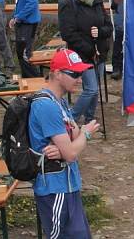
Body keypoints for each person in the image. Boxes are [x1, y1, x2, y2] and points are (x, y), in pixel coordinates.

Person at [30, 48, 101, 238]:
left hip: (68, 185)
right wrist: (84, 136)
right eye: (75, 73)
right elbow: (72, 152)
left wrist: (69, 146)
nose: (79, 79)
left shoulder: (59, 102)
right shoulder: (47, 106)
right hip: (55, 189)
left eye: (81, 73)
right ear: (58, 74)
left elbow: (74, 135)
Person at [59, 0, 113, 124]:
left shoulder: (98, 3)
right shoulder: (69, 4)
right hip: (82, 54)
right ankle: (71, 117)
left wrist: (100, 32)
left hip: (100, 52)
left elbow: (109, 27)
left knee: (96, 88)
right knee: (91, 89)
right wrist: (89, 49)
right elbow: (67, 33)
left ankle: (89, 117)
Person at [8, 0, 41, 77]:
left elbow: (32, 3)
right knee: (21, 53)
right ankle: (28, 86)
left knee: (24, 55)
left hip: (27, 22)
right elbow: (20, 1)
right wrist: (15, 16)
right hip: (22, 20)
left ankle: (37, 84)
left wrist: (18, 17)